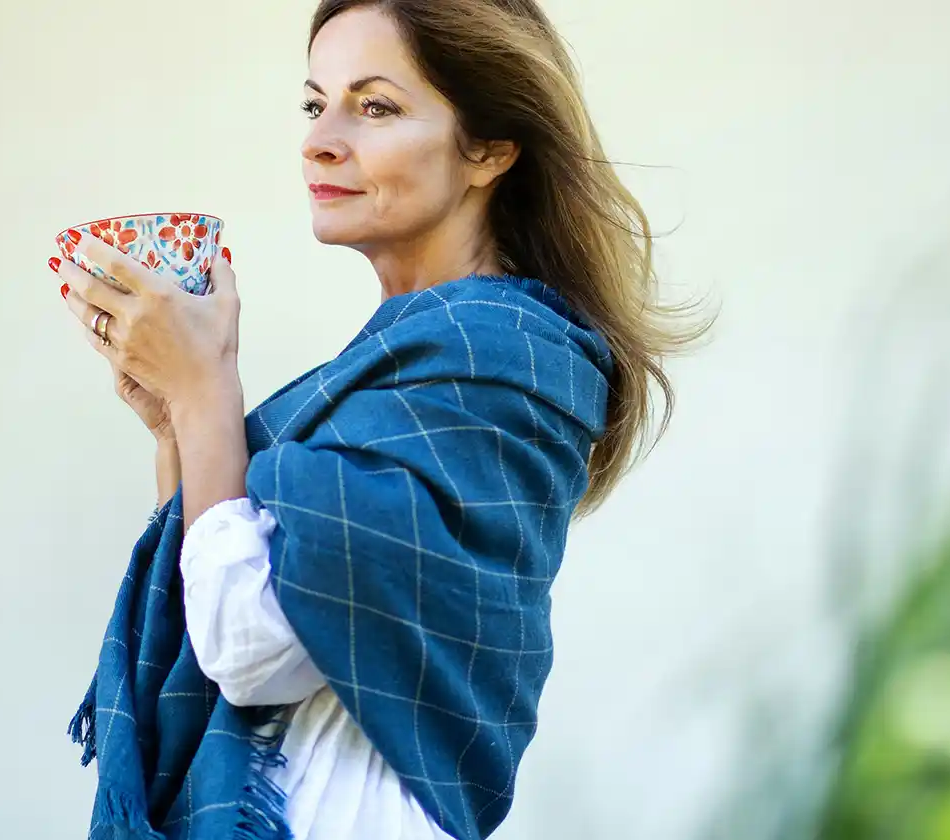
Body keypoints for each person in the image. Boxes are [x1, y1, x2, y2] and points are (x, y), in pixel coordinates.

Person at [52, 0, 701, 837]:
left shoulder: (500, 361)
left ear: (491, 148)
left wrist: (209, 390)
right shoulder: (399, 371)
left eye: (376, 105)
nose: (320, 138)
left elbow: (250, 646)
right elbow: (216, 586)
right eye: (315, 103)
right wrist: (176, 421)